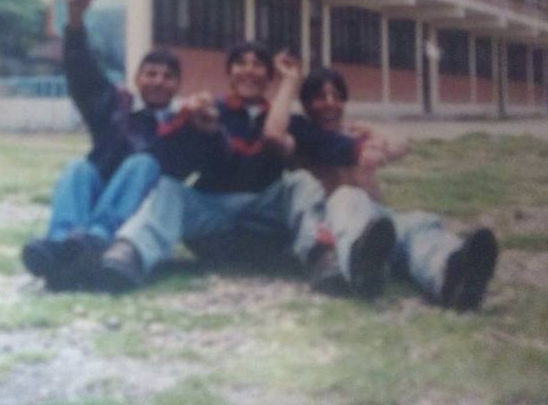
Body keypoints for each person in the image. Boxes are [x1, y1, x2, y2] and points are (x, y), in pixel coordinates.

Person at [96, 43, 397, 297]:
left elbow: (329, 143)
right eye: (241, 63)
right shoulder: (209, 109)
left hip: (264, 215)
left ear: (269, 77)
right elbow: (170, 159)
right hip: (212, 214)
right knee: (169, 189)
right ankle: (131, 252)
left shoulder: (283, 119)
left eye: (258, 65)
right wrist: (195, 128)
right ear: (229, 73)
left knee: (301, 183)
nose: (249, 71)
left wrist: (371, 147)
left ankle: (322, 256)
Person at [295, 67, 499, 311]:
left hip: (378, 229)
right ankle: (362, 267)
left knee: (418, 225)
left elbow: (400, 146)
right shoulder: (306, 138)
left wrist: (375, 131)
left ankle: (450, 274)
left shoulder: (352, 136)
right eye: (321, 97)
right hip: (340, 227)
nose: (330, 103)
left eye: (337, 97)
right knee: (348, 195)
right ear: (306, 104)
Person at [21, 0, 182, 290]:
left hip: (135, 210)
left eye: (167, 76)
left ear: (177, 85)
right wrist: (75, 20)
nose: (158, 81)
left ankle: (97, 240)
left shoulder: (181, 124)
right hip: (98, 196)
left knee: (143, 164)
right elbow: (82, 73)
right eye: (151, 74)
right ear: (137, 79)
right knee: (78, 169)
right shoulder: (114, 107)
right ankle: (60, 243)